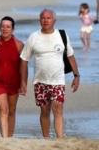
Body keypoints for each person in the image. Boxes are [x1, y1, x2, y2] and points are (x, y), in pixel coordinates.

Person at [19, 9, 80, 139]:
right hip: (40, 81)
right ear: (39, 20)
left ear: (54, 20)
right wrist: (23, 82)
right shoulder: (33, 37)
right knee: (45, 111)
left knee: (58, 109)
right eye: (43, 18)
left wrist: (76, 76)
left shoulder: (62, 35)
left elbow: (70, 56)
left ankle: (59, 138)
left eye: (48, 18)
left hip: (58, 80)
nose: (45, 20)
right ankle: (46, 138)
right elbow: (24, 59)